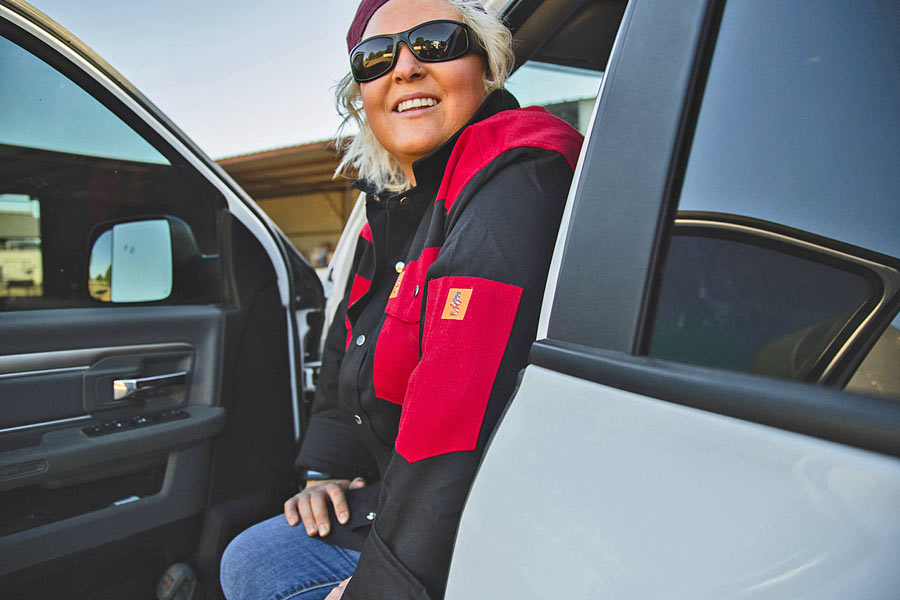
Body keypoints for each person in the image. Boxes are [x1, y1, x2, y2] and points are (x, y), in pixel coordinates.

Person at [219, 0, 583, 598]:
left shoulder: (517, 162)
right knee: (249, 561)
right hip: (403, 494)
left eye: (437, 40)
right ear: (361, 93)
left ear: (487, 63)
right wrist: (323, 472)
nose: (406, 67)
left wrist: (382, 588)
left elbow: (456, 414)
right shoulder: (386, 209)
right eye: (375, 57)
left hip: (489, 518)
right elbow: (345, 344)